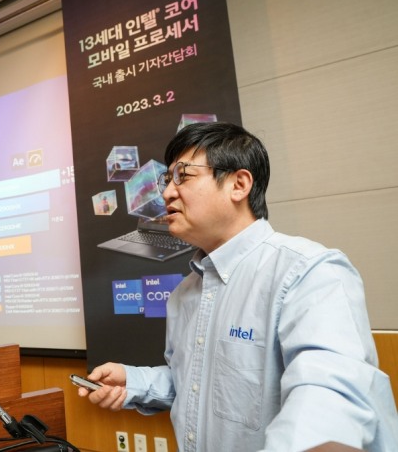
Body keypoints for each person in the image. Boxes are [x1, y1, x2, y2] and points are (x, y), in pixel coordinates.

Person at [78, 122, 398, 451]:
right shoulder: (184, 294)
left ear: (239, 184)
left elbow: (328, 396)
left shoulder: (309, 272)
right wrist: (133, 381)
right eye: (166, 180)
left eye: (182, 176)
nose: (167, 193)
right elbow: (194, 382)